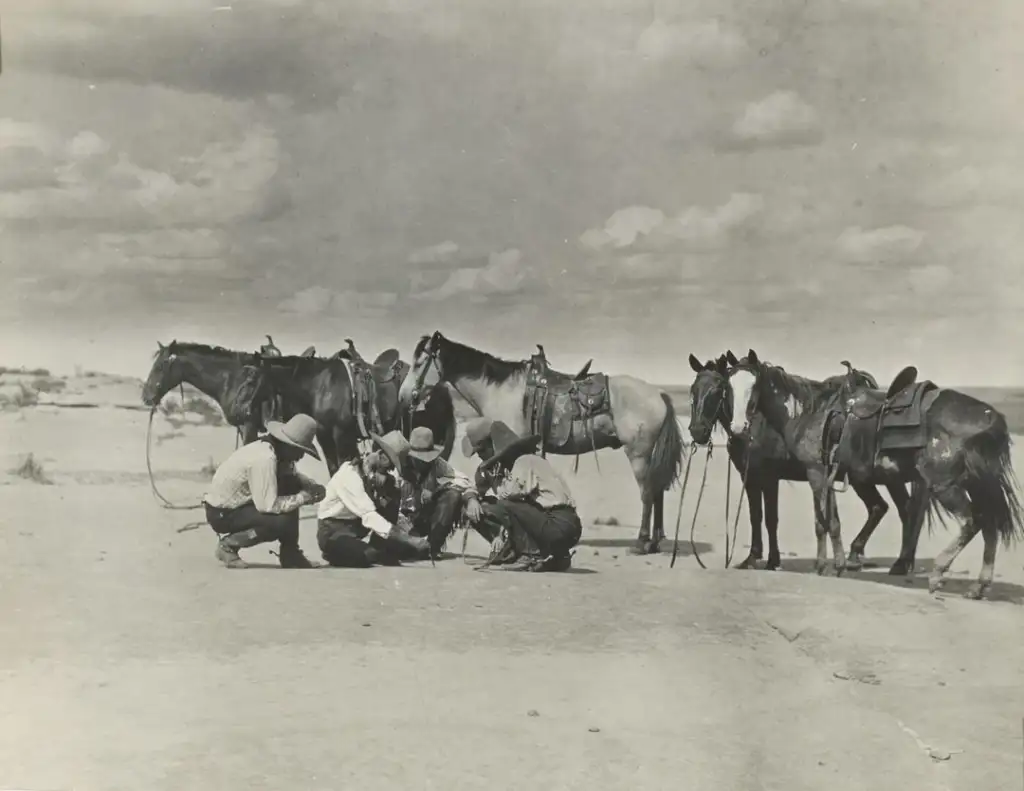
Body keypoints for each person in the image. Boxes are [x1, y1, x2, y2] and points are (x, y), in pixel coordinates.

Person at [202, 413, 325, 569]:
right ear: (287, 445)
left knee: (292, 485)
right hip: (222, 514)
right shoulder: (265, 459)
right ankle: (228, 546)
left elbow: (293, 476)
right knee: (279, 522)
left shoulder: (276, 452)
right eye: (299, 450)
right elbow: (268, 506)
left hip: (237, 508)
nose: (301, 456)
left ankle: (291, 554)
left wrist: (310, 485)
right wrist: (303, 498)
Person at [474, 421, 583, 572]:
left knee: (507, 505)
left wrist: (496, 480)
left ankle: (529, 554)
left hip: (557, 524)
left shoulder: (522, 462)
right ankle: (559, 556)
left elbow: (509, 494)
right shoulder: (537, 461)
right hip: (571, 523)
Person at [316, 430, 431, 567]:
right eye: (389, 467)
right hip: (332, 531)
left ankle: (379, 546)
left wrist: (387, 491)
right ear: (383, 458)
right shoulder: (350, 476)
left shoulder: (371, 476)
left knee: (393, 491)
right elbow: (370, 516)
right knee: (368, 555)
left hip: (355, 526)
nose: (389, 472)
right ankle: (334, 553)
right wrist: (410, 540)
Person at [399, 426, 483, 555]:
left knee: (452, 495)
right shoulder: (399, 466)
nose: (422, 462)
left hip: (425, 518)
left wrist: (435, 492)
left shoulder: (437, 464)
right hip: (402, 522)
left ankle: (433, 546)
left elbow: (463, 481)